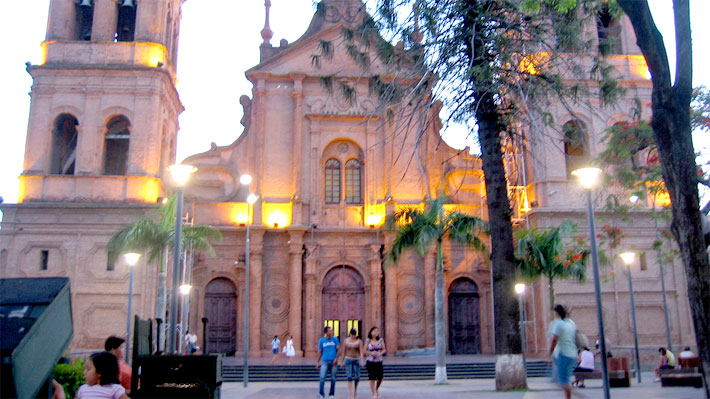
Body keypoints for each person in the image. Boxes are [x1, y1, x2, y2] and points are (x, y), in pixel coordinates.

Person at [549, 304, 577, 399]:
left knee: (563, 380)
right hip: (573, 354)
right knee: (566, 378)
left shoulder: (558, 323)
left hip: (563, 354)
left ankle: (569, 397)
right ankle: (569, 396)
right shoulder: (571, 323)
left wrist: (550, 352)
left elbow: (554, 340)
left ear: (557, 313)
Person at [340, 328, 365, 399]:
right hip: (348, 359)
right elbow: (344, 351)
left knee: (357, 377)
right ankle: (351, 393)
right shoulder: (346, 341)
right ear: (350, 334)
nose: (353, 336)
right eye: (352, 335)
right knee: (349, 376)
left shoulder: (359, 341)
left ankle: (355, 391)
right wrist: (341, 362)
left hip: (356, 360)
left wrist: (362, 360)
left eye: (354, 335)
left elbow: (361, 351)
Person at [317, 326, 341, 399]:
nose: (332, 332)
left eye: (332, 331)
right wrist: (317, 362)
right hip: (325, 361)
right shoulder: (321, 340)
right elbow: (320, 352)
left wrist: (336, 359)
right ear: (326, 332)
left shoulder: (335, 339)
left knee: (333, 378)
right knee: (322, 377)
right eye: (330, 331)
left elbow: (339, 350)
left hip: (333, 361)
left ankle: (331, 394)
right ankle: (321, 394)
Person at [365, 326, 386, 399]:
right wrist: (371, 353)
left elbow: (384, 349)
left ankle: (376, 389)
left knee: (380, 377)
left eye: (377, 331)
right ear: (371, 332)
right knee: (372, 377)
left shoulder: (381, 340)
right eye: (374, 331)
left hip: (379, 361)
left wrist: (381, 353)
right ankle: (373, 393)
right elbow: (365, 350)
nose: (376, 332)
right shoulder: (368, 340)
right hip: (370, 361)